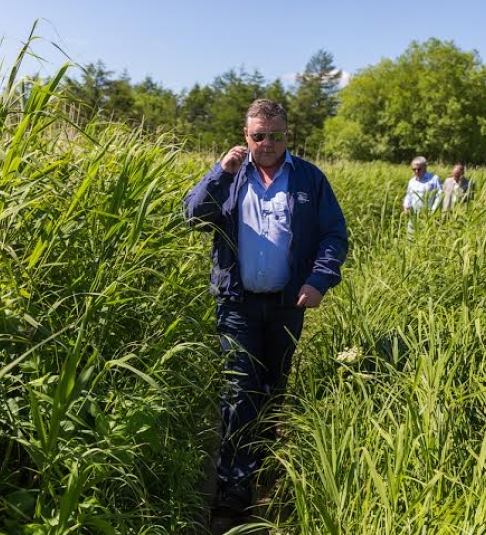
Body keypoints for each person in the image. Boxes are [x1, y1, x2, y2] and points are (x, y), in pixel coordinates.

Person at [184, 99, 348, 528]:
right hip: (236, 301)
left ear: (286, 135)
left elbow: (334, 233)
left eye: (276, 135)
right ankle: (233, 487)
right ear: (246, 136)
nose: (268, 143)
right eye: (259, 136)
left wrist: (319, 280)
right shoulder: (230, 177)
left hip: (287, 303)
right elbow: (193, 215)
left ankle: (268, 461)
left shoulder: (309, 178)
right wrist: (221, 172)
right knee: (240, 386)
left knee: (275, 384)